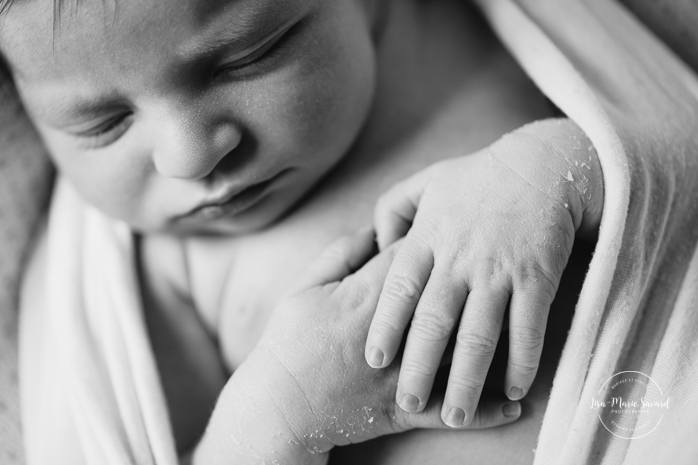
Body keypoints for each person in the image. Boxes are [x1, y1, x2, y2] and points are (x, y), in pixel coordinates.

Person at [2, 0, 607, 463]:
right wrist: (279, 414)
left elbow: (667, 138)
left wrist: (559, 169)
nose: (189, 157)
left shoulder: (464, 32)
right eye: (101, 123)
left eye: (246, 56)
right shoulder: (144, 277)